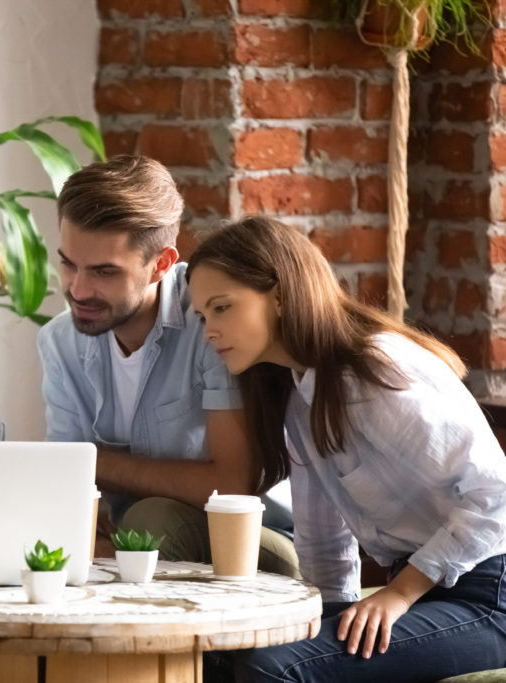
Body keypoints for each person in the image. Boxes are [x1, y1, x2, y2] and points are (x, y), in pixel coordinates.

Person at [187, 216, 506, 682]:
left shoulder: (374, 372)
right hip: (433, 590)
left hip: (489, 594)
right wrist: (328, 614)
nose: (208, 331)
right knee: (219, 653)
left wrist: (398, 594)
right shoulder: (298, 394)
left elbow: (496, 495)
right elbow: (324, 538)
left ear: (279, 295)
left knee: (274, 668)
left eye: (221, 308)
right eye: (201, 316)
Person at [37, 155, 297, 576]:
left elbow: (230, 484)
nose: (78, 289)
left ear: (160, 264)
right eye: (68, 263)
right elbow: (66, 482)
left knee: (151, 519)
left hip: (254, 537)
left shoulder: (211, 325)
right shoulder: (60, 341)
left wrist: (95, 462)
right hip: (128, 538)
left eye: (104, 271)